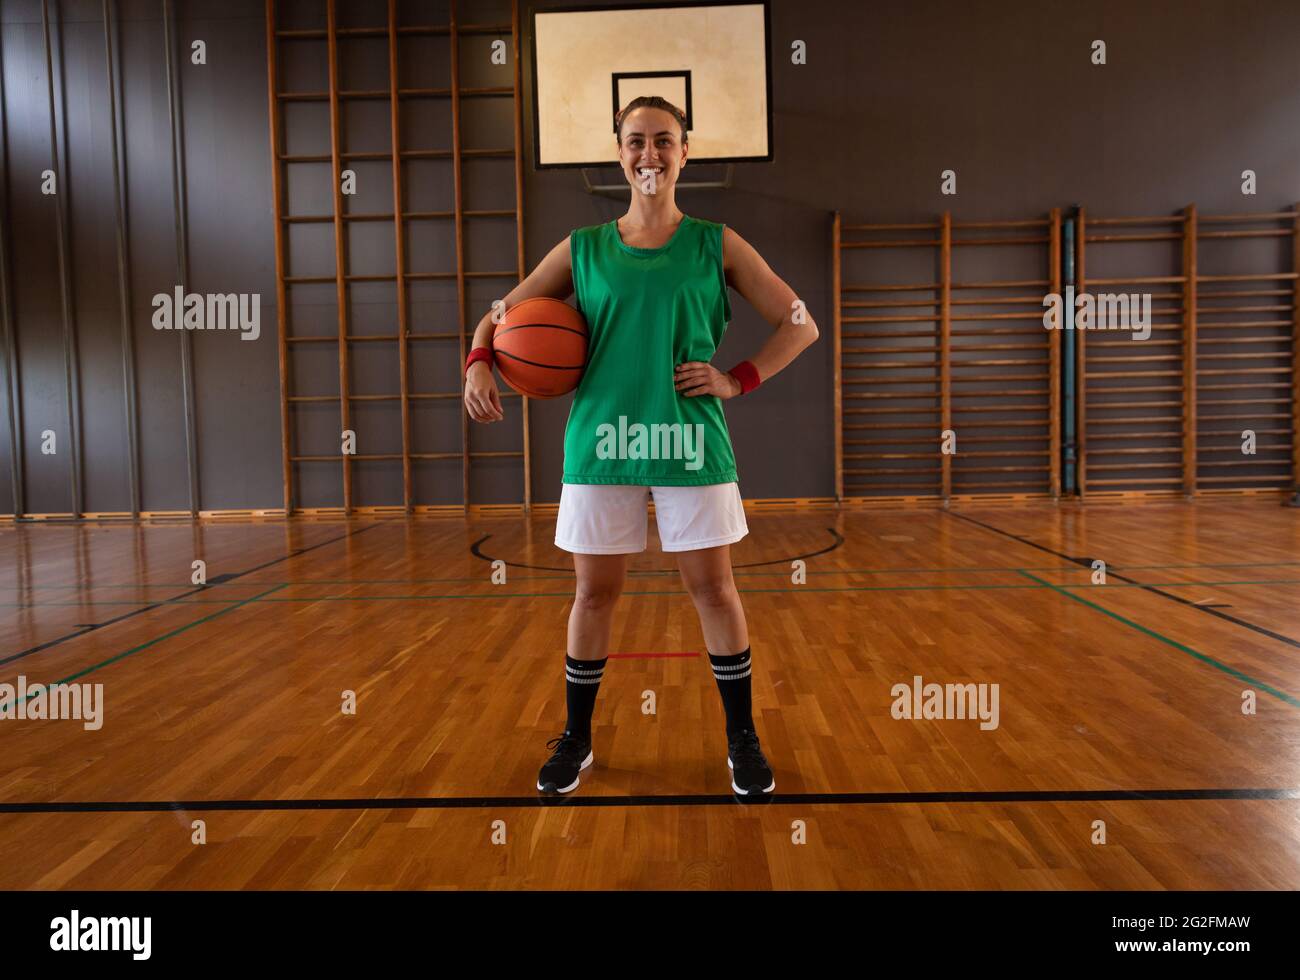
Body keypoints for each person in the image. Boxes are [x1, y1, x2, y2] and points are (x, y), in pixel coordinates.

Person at [463, 96, 819, 796]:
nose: (649, 153)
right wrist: (478, 357)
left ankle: (741, 739)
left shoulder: (718, 242)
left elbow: (799, 323)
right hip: (602, 440)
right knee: (594, 595)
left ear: (686, 152)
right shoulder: (582, 248)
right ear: (618, 153)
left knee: (714, 590)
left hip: (688, 438)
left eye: (664, 140)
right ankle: (576, 739)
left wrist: (737, 378)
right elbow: (501, 314)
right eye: (636, 141)